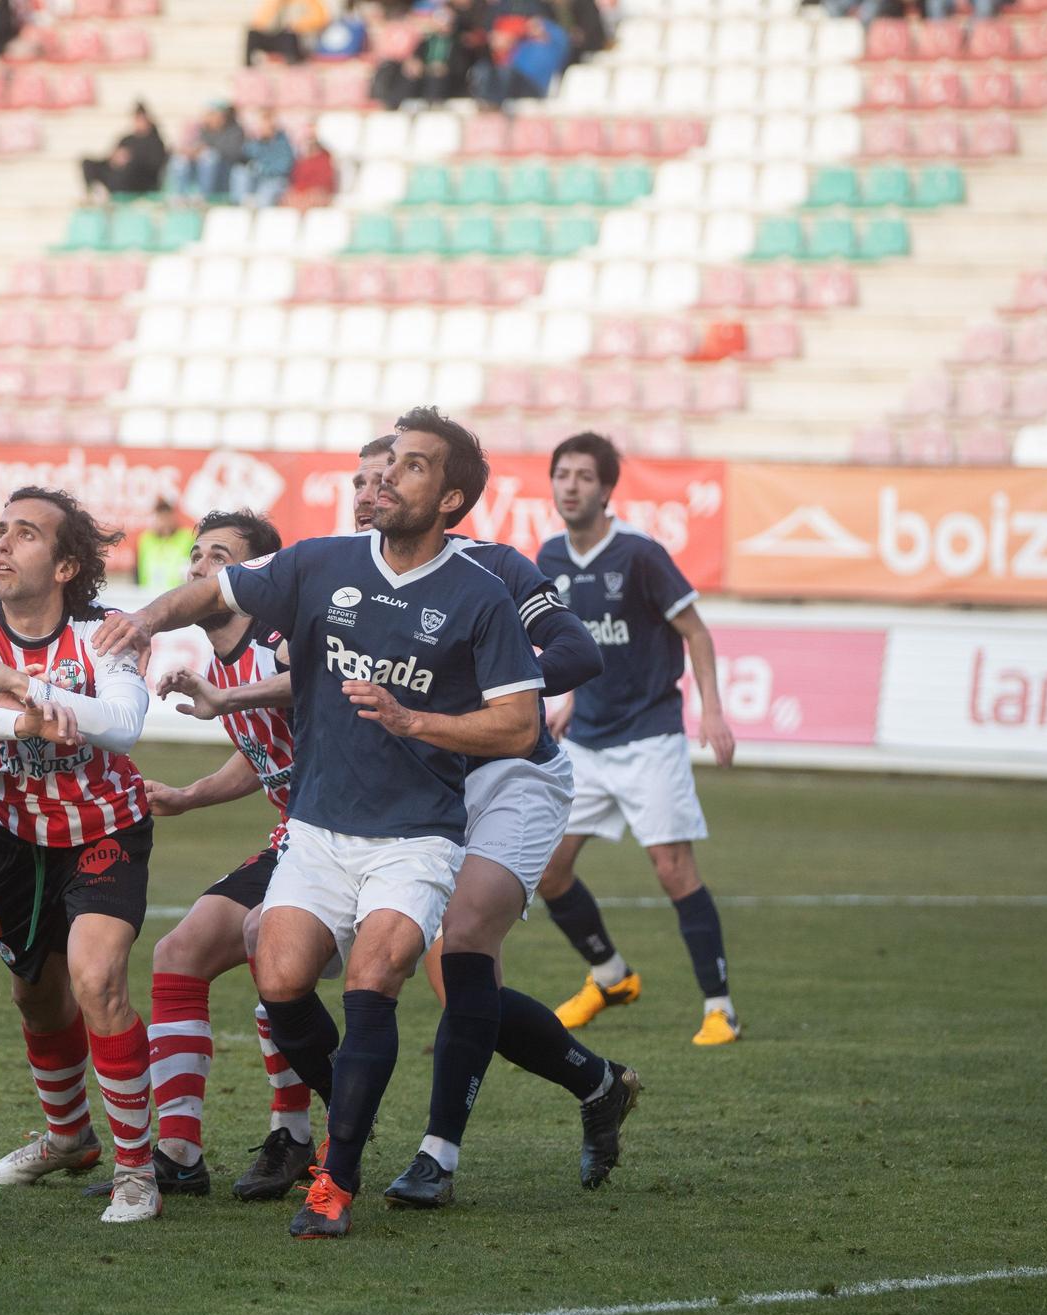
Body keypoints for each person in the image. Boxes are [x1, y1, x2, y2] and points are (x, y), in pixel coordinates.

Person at [93, 416, 548, 1241]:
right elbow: (216, 592)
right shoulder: (321, 563)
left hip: (417, 834)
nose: (388, 479)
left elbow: (519, 726)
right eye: (388, 464)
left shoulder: (480, 596)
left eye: (413, 469)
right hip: (318, 829)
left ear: (448, 498)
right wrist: (150, 617)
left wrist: (417, 722)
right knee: (280, 979)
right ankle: (345, 1119)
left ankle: (333, 1178)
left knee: (373, 980)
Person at [174, 431, 642, 1209]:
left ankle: (436, 1156)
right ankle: (596, 1083)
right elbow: (324, 680)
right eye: (365, 477)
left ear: (440, 494)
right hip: (423, 774)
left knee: (460, 945)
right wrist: (231, 698)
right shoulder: (346, 572)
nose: (374, 487)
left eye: (394, 473)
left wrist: (465, 691)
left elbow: (575, 654)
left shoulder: (491, 570)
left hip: (510, 775)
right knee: (396, 970)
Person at [0, 488, 164, 1225]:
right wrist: (29, 717)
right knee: (34, 995)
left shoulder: (105, 631)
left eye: (24, 535)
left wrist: (20, 685)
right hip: (12, 836)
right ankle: (67, 1139)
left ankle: (137, 1170)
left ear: (64, 566)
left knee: (96, 979)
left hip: (104, 830)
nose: (1, 545)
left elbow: (120, 727)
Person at [121, 510, 319, 1203]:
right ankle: (176, 1151)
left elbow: (314, 686)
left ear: (253, 577)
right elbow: (260, 752)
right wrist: (189, 795)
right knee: (179, 953)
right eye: (198, 555)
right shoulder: (217, 656)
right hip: (292, 835)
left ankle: (294, 1134)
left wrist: (227, 697)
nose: (200, 568)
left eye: (219, 558)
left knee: (272, 951)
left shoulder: (283, 638)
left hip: (347, 839)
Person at [534, 433, 742, 1046]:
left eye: (583, 476)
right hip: (586, 743)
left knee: (672, 868)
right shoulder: (547, 559)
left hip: (650, 736)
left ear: (606, 490)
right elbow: (572, 644)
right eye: (561, 474)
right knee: (547, 870)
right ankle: (610, 975)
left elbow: (696, 634)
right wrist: (569, 699)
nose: (570, 486)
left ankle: (720, 1007)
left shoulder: (641, 555)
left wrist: (712, 712)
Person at [81, 103, 168, 201]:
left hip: (138, 179)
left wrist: (131, 159)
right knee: (87, 163)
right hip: (116, 173)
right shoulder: (127, 139)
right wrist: (115, 159)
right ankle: (97, 192)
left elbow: (154, 164)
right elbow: (110, 158)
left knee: (128, 169)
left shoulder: (154, 141)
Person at [167, 103, 244, 202]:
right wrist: (192, 153)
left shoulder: (235, 131)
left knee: (209, 158)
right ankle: (180, 196)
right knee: (180, 160)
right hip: (200, 168)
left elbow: (233, 153)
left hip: (224, 170)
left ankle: (204, 196)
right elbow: (197, 147)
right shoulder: (204, 130)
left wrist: (207, 150)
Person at [231, 110, 296, 209]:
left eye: (265, 126)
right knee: (239, 172)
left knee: (266, 194)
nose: (261, 129)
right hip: (257, 178)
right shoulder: (256, 143)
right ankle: (240, 204)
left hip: (274, 180)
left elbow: (283, 167)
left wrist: (262, 169)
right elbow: (244, 156)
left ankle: (258, 210)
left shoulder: (283, 145)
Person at [245, 0, 329, 66]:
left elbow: (320, 20)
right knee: (253, 34)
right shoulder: (277, 3)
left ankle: (293, 63)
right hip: (279, 36)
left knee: (290, 35)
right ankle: (249, 65)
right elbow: (259, 24)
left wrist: (297, 26)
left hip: (298, 39)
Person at [135, 499, 193, 592]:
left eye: (167, 515)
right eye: (160, 516)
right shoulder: (146, 539)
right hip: (148, 595)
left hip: (177, 595)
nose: (164, 520)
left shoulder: (186, 537)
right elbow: (138, 570)